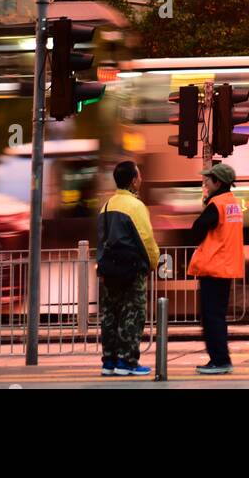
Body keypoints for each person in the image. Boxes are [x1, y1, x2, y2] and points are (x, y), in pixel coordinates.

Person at [96, 160, 159, 377]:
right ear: (133, 181)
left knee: (111, 315)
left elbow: (101, 241)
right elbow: (146, 240)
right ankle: (127, 361)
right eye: (139, 176)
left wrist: (102, 269)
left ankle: (109, 362)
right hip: (131, 270)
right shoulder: (135, 206)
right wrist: (153, 262)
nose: (140, 179)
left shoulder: (106, 206)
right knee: (133, 313)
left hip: (109, 271)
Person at [188, 162, 244, 374]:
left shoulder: (216, 205)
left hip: (213, 267)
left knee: (211, 317)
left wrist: (205, 203)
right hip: (226, 267)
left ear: (218, 182)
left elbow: (197, 229)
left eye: (208, 179)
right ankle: (221, 359)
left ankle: (219, 360)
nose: (204, 182)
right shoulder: (233, 204)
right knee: (217, 316)